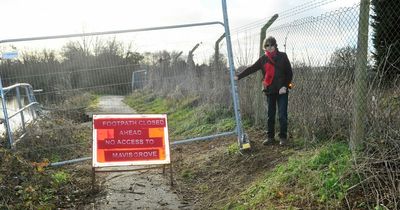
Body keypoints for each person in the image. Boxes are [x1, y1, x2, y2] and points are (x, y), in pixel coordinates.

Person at [234, 36, 293, 146]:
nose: (270, 47)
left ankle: (283, 138)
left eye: (272, 45)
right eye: (267, 45)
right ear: (264, 47)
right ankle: (270, 137)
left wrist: (286, 86)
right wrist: (239, 76)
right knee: (270, 115)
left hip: (282, 91)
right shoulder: (263, 59)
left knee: (282, 115)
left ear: (275, 46)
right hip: (270, 91)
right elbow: (251, 68)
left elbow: (289, 73)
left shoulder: (283, 56)